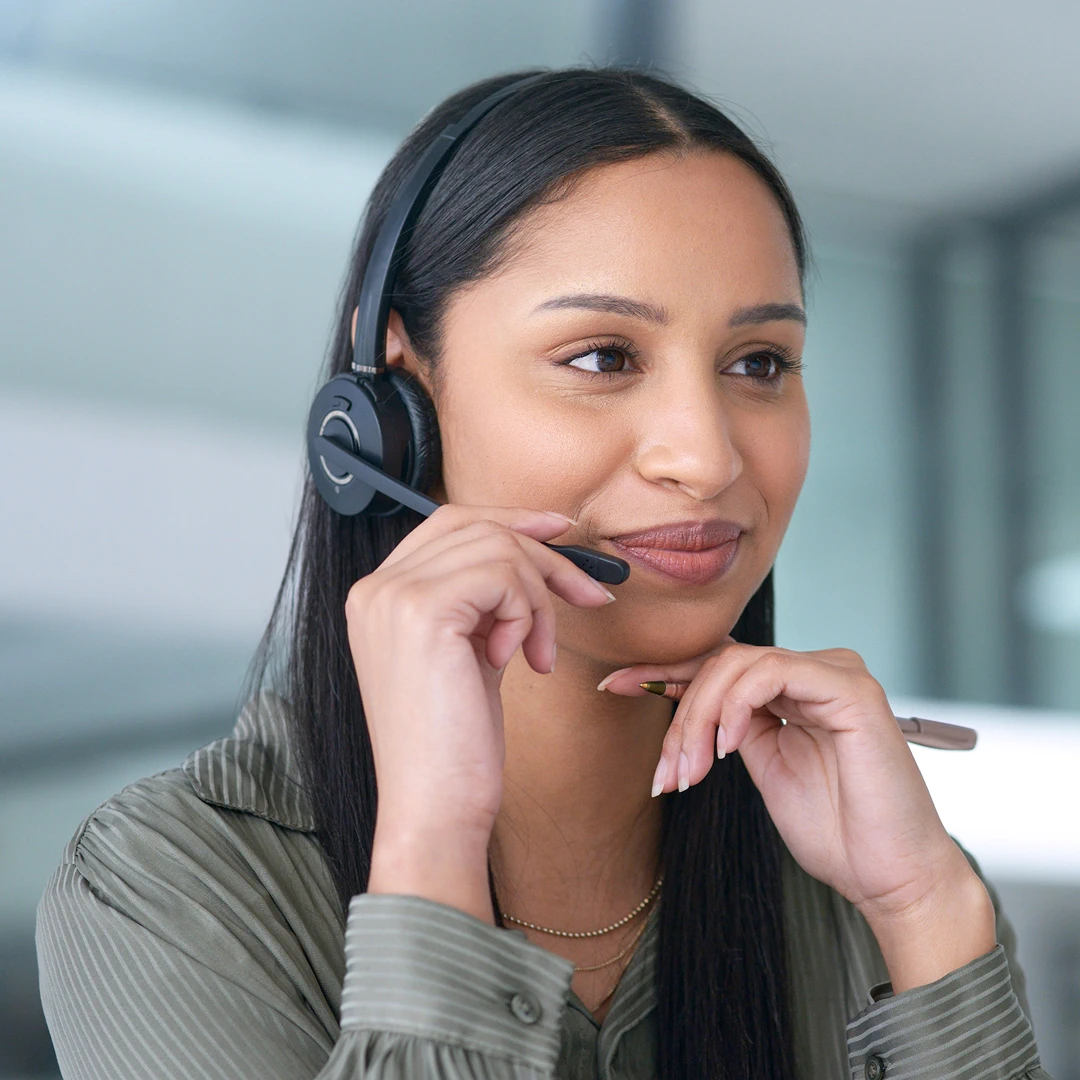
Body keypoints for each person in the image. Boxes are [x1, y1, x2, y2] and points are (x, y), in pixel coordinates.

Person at [36, 67, 1051, 1080]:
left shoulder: (873, 887)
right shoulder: (172, 885)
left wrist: (927, 914)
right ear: (395, 408)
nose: (706, 457)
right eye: (604, 357)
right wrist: (433, 847)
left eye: (759, 364)